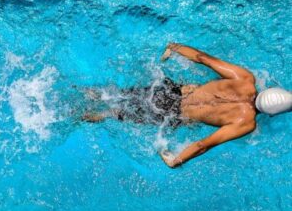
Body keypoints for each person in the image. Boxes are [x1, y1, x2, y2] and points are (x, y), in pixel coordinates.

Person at [82, 43, 292, 168]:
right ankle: (82, 116)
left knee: (114, 95)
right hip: (173, 115)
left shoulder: (245, 79)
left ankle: (84, 91)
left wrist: (174, 48)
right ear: (272, 114)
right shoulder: (246, 123)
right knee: (114, 113)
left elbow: (203, 58)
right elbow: (203, 144)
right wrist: (177, 161)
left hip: (170, 91)